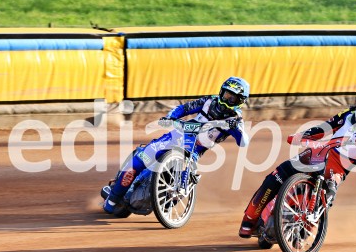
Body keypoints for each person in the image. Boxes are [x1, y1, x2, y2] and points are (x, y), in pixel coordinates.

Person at [238, 86, 356, 238]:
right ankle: (249, 220)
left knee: (327, 197)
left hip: (338, 168)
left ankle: (304, 228)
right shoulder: (349, 114)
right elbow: (326, 127)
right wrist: (302, 135)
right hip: (319, 152)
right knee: (276, 176)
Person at [102, 77, 250, 214]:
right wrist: (170, 117)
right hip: (174, 137)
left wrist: (238, 128)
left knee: (190, 173)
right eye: (225, 94)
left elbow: (243, 142)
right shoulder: (208, 101)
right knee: (140, 161)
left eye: (232, 98)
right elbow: (184, 109)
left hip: (194, 151)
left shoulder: (236, 120)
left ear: (240, 101)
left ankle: (166, 203)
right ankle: (112, 199)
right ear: (221, 92)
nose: (226, 99)